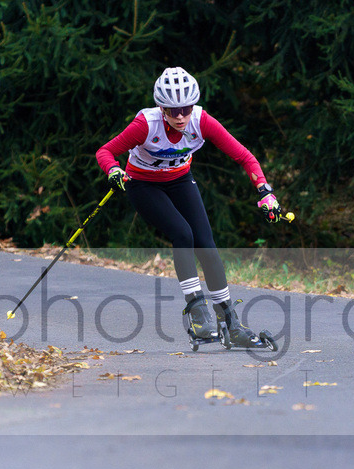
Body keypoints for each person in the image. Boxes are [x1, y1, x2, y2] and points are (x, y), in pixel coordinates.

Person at [95, 66, 284, 346]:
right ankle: (197, 311)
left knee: (206, 243)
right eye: (173, 110)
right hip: (143, 184)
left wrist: (265, 192)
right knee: (183, 234)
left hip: (181, 179)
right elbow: (105, 151)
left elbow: (245, 157)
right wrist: (112, 170)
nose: (181, 116)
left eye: (185, 107)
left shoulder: (201, 121)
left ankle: (231, 323)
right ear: (162, 108)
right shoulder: (145, 125)